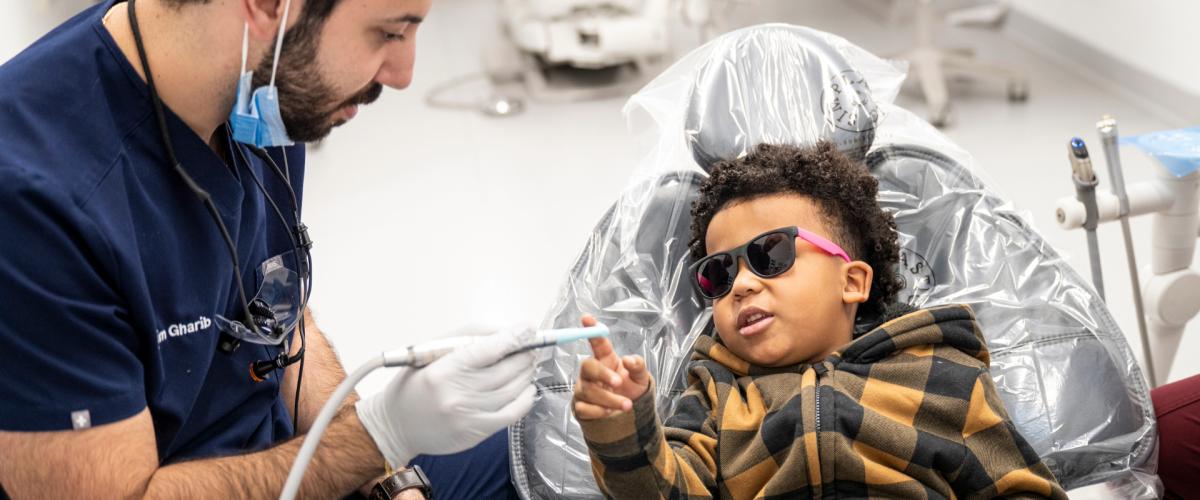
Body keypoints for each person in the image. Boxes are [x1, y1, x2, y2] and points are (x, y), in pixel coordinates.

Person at [0, 0, 531, 498]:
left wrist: (390, 478)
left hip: (285, 456)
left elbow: (276, 308)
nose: (402, 72)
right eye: (388, 33)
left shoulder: (264, 89)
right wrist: (378, 436)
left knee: (547, 451)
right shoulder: (35, 202)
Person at [571, 142, 1068, 499]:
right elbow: (666, 491)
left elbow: (1019, 487)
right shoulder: (715, 396)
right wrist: (623, 427)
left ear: (851, 282)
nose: (740, 285)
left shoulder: (942, 374)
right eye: (718, 273)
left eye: (770, 254)